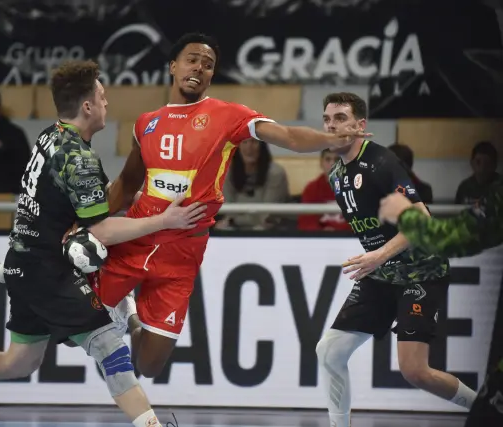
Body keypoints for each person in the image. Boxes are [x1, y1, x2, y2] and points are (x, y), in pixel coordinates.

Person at [0, 60, 207, 427]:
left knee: (19, 361)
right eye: (102, 96)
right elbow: (101, 231)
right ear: (87, 106)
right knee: (109, 346)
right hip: (47, 271)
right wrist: (165, 221)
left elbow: (85, 201)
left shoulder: (51, 135)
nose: (107, 103)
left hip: (24, 262)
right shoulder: (78, 158)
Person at [81, 33, 370, 379]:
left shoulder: (228, 116)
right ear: (173, 66)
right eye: (191, 60)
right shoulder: (146, 123)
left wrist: (331, 139)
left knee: (149, 366)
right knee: (74, 326)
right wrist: (86, 221)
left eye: (207, 65)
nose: (198, 68)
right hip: (135, 239)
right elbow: (127, 185)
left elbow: (289, 137)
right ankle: (117, 309)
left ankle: (129, 316)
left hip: (181, 254)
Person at [314, 92, 477, 427]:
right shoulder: (336, 175)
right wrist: (378, 259)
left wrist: (379, 255)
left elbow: (422, 219)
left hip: (421, 270)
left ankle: (488, 411)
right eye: (327, 119)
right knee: (329, 352)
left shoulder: (381, 162)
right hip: (382, 272)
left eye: (341, 118)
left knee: (415, 371)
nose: (332, 126)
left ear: (360, 125)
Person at [378, 178, 503, 427]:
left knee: (415, 369)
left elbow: (457, 237)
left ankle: (477, 406)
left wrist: (404, 214)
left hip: (423, 272)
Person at [215, 138, 288, 230]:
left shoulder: (276, 173)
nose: (249, 147)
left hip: (267, 228)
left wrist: (238, 223)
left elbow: (268, 214)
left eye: (254, 142)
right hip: (234, 227)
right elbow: (229, 210)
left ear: (262, 146)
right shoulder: (227, 172)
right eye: (244, 142)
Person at [297, 149, 350, 231]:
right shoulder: (312, 189)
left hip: (348, 237)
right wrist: (321, 232)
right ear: (321, 163)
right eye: (328, 159)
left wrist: (338, 231)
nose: (332, 163)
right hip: (319, 237)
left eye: (336, 159)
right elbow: (306, 222)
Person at [455, 141, 499, 205]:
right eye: (478, 162)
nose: (482, 168)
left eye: (487, 163)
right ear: (472, 163)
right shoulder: (464, 187)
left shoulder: (500, 185)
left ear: (494, 165)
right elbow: (457, 209)